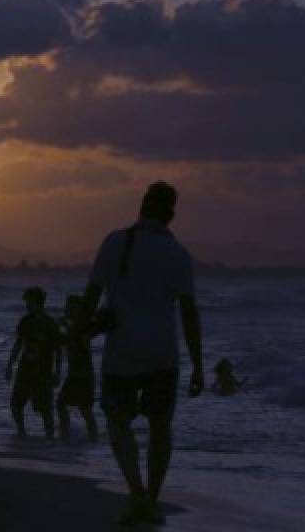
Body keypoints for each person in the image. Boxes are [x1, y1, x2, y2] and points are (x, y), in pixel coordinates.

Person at [76, 182, 204, 527]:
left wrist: (79, 335)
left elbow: (91, 295)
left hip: (122, 353)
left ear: (141, 207)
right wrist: (198, 365)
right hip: (164, 354)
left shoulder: (116, 242)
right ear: (171, 214)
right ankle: (152, 498)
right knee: (161, 427)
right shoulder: (178, 255)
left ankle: (136, 493)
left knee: (119, 423)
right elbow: (190, 314)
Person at [5, 286, 62, 438]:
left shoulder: (50, 323)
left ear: (38, 302)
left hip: (42, 372)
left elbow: (58, 350)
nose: (27, 305)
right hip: (24, 369)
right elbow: (18, 344)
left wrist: (58, 371)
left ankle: (50, 438)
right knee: (16, 404)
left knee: (45, 409)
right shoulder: (25, 321)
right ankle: (22, 433)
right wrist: (10, 365)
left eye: (29, 302)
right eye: (26, 302)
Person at [56, 294, 99, 442]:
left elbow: (77, 339)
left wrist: (65, 326)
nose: (66, 309)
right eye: (67, 306)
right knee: (62, 404)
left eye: (70, 306)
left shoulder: (83, 326)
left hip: (84, 376)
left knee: (85, 410)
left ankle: (93, 439)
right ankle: (65, 436)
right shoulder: (75, 326)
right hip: (74, 375)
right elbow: (63, 341)